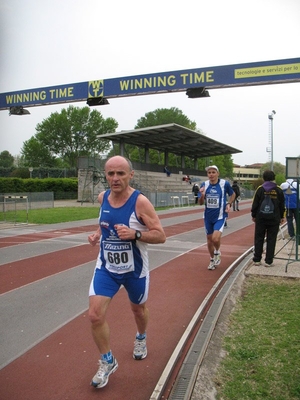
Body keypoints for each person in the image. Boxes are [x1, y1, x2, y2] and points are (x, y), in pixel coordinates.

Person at [88, 156, 166, 389]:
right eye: (110, 173)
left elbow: (161, 235)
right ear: (105, 175)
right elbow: (105, 223)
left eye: (120, 173)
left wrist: (136, 234)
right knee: (94, 315)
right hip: (107, 268)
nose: (115, 178)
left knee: (138, 309)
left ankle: (141, 337)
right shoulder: (103, 198)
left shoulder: (140, 202)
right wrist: (97, 235)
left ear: (131, 175)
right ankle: (107, 360)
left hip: (135, 269)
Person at [198, 165, 235, 270]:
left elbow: (233, 194)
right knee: (209, 240)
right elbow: (200, 203)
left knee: (215, 238)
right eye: (209, 173)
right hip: (208, 217)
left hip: (220, 216)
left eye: (213, 172)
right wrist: (202, 195)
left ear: (218, 173)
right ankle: (211, 260)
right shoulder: (204, 185)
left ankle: (217, 251)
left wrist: (229, 204)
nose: (211, 175)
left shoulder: (224, 184)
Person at [251, 170, 285, 267]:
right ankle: (268, 261)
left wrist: (254, 215)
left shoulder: (260, 189)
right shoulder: (278, 190)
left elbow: (255, 203)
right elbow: (282, 204)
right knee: (271, 239)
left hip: (261, 218)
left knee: (259, 238)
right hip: (274, 218)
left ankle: (257, 259)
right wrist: (282, 216)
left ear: (263, 178)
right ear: (274, 177)